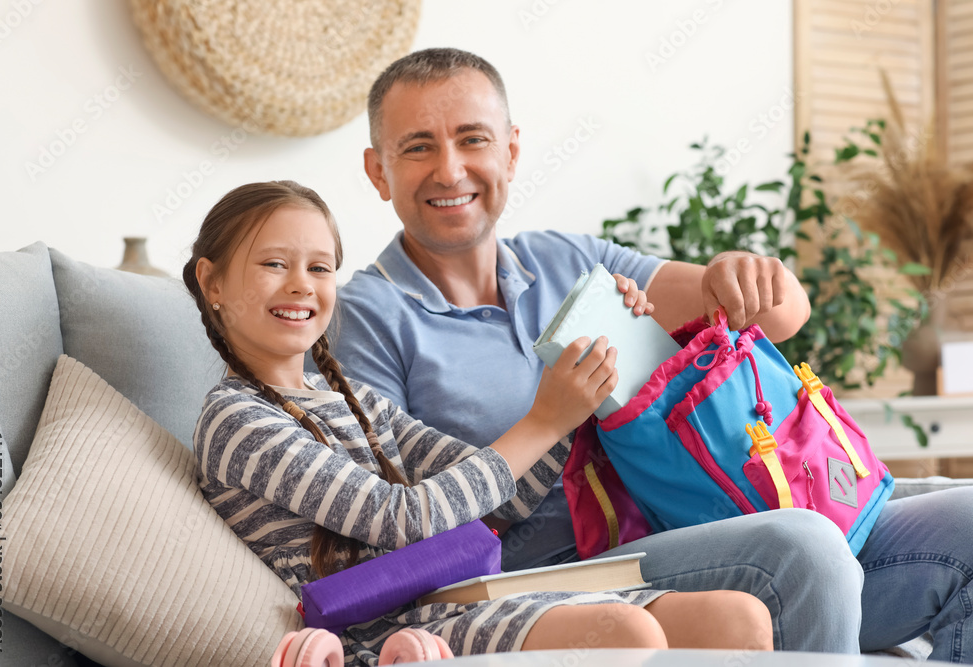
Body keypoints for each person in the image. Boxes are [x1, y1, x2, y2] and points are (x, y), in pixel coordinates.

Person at [332, 47, 973, 662]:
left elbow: (780, 317)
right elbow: (393, 525)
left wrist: (743, 273)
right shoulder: (365, 317)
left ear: (512, 150)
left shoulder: (566, 261)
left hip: (682, 519)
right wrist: (549, 419)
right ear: (377, 170)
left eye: (473, 139)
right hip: (554, 577)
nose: (449, 170)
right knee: (804, 545)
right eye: (418, 146)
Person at [182, 180, 774, 666]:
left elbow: (497, 497)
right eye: (273, 264)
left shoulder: (350, 396)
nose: (300, 285)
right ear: (212, 283)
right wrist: (544, 419)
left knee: (737, 617)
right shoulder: (238, 420)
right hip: (388, 630)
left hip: (458, 597)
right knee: (632, 635)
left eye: (319, 267)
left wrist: (591, 374)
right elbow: (402, 520)